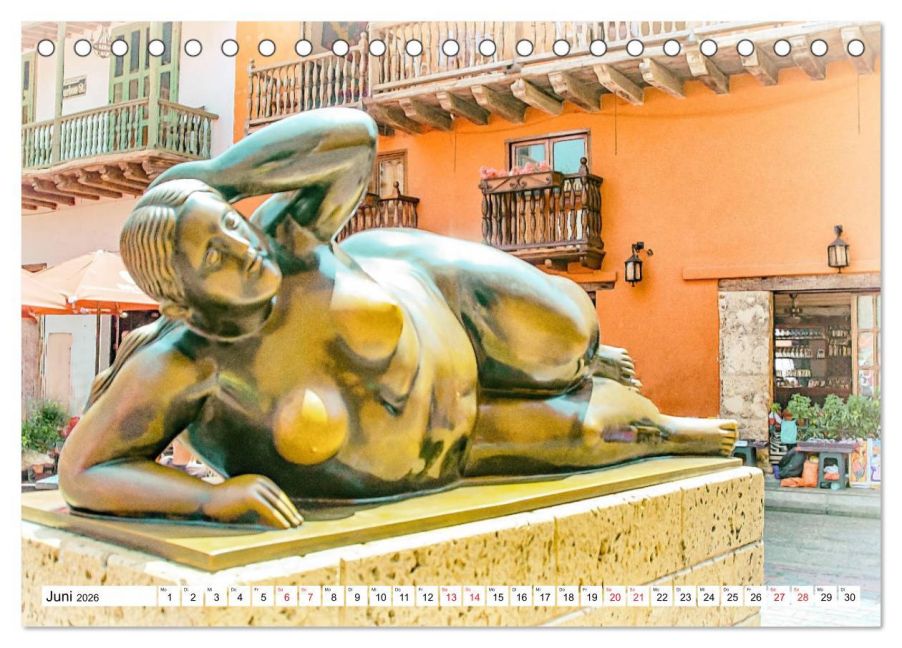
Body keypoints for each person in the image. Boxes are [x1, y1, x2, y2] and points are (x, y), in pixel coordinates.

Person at [59, 108, 737, 529]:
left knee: (566, 337)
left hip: (442, 303)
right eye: (213, 256)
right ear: (183, 298)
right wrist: (207, 500)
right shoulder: (184, 362)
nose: (241, 247)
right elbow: (82, 472)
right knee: (614, 431)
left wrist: (213, 179)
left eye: (229, 225)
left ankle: (587, 360)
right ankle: (664, 424)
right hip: (460, 445)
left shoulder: (289, 241)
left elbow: (353, 136)